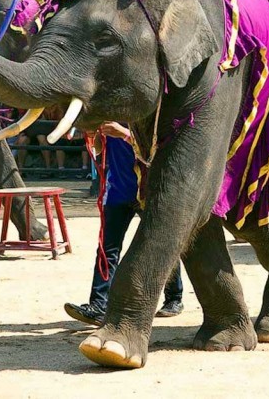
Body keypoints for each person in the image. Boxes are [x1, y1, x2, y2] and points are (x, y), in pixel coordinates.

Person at [64, 122, 184, 325]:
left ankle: (174, 297)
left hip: (147, 190)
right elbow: (101, 150)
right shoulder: (108, 116)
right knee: (107, 249)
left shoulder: (143, 118)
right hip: (117, 191)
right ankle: (98, 305)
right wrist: (95, 137)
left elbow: (154, 148)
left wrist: (124, 134)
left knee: (161, 244)